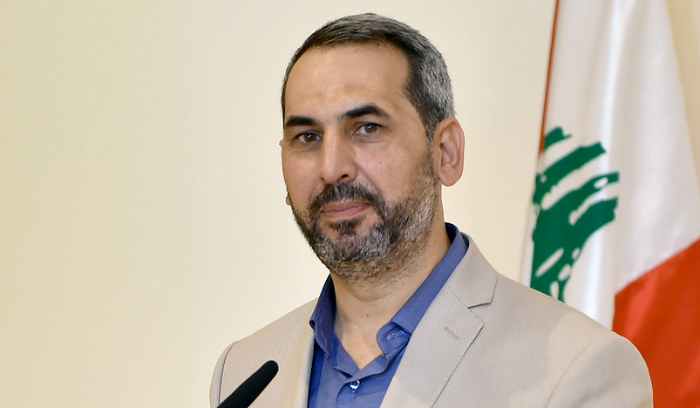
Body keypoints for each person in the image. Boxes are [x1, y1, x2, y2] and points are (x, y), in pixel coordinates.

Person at [210, 13, 653, 408]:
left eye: (366, 128)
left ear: (446, 152)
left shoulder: (577, 369)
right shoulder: (243, 370)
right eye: (307, 137)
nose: (331, 167)